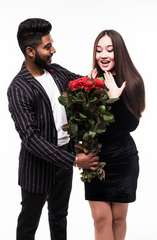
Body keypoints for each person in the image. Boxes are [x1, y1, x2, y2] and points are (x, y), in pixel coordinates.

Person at [7, 18, 99, 240]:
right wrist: (75, 161)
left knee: (59, 216)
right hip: (37, 168)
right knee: (29, 223)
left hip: (63, 162)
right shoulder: (18, 88)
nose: (53, 50)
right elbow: (31, 139)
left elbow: (82, 83)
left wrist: (100, 77)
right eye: (47, 47)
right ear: (30, 51)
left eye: (51, 44)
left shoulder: (56, 72)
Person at [85, 30, 145, 240]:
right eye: (99, 50)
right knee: (100, 219)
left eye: (109, 50)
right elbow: (84, 126)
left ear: (118, 52)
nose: (104, 55)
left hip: (123, 160)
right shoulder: (89, 83)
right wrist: (87, 95)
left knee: (119, 219)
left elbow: (131, 126)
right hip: (96, 160)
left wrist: (115, 99)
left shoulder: (133, 81)